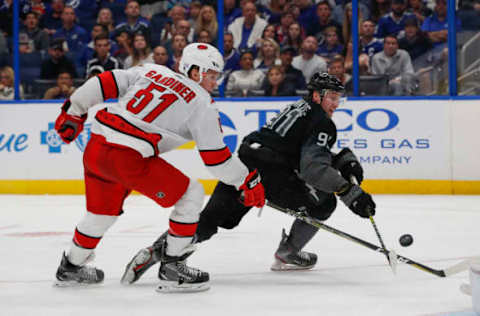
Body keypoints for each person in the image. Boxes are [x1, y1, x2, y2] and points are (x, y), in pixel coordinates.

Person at [52, 43, 265, 292]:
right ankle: (173, 267)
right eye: (211, 74)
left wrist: (74, 110)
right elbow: (217, 160)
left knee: (101, 214)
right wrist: (246, 180)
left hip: (96, 149)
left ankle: (71, 267)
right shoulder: (202, 103)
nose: (215, 82)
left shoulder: (152, 71)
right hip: (129, 158)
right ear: (195, 72)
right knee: (191, 195)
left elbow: (105, 81)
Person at [122, 72, 376, 279]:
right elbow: (312, 169)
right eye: (331, 96)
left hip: (243, 164)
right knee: (325, 202)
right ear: (316, 95)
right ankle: (288, 253)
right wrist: (349, 191)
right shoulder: (322, 121)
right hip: (270, 174)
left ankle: (155, 251)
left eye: (337, 97)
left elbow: (293, 149)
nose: (335, 103)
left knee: (211, 219)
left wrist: (339, 159)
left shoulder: (298, 108)